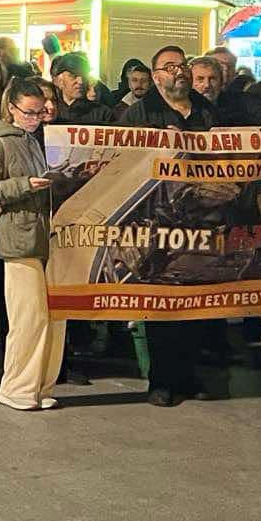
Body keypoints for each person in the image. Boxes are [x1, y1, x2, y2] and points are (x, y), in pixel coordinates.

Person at [122, 46, 214, 404]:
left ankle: (189, 375)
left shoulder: (206, 110)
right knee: (160, 300)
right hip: (158, 216)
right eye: (171, 66)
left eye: (183, 65)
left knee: (196, 299)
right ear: (156, 75)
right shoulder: (140, 113)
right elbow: (123, 162)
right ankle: (160, 380)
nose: (180, 71)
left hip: (201, 216)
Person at [0, 77, 65, 410]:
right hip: (20, 238)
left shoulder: (43, 138)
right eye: (29, 112)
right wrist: (25, 185)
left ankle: (41, 386)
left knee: (56, 316)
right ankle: (17, 388)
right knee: (29, 318)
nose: (35, 118)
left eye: (40, 112)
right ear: (12, 108)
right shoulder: (1, 143)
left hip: (50, 237)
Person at [49, 51, 117, 124]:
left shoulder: (102, 114)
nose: (80, 81)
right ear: (59, 81)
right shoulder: (49, 112)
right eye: (73, 76)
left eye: (84, 76)